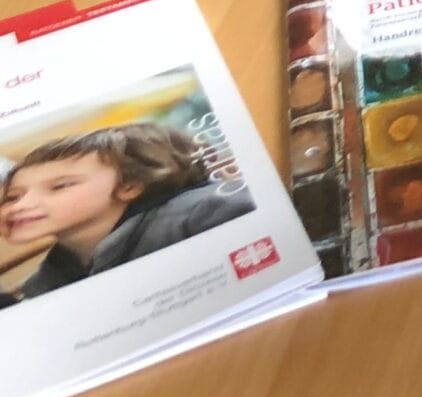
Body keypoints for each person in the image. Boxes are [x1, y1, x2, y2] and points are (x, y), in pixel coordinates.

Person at [0, 125, 254, 302]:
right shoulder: (45, 284)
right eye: (12, 197)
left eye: (60, 186)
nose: (19, 206)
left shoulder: (208, 212)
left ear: (129, 185)